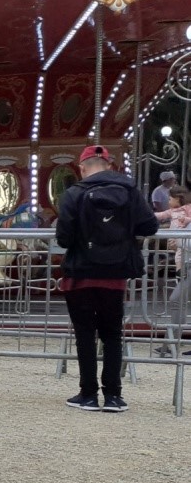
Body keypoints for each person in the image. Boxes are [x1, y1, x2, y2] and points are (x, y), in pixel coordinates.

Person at [55, 144, 159, 411]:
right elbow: (150, 225)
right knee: (113, 334)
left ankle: (88, 394)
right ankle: (113, 395)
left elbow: (63, 238)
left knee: (85, 335)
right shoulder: (129, 190)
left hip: (81, 273)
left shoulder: (74, 193)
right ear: (110, 165)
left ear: (82, 167)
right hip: (115, 275)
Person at [154, 186, 190, 357]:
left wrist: (178, 242)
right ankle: (171, 343)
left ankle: (172, 343)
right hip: (183, 263)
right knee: (178, 302)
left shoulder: (186, 214)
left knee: (177, 301)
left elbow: (186, 240)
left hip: (186, 262)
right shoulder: (179, 214)